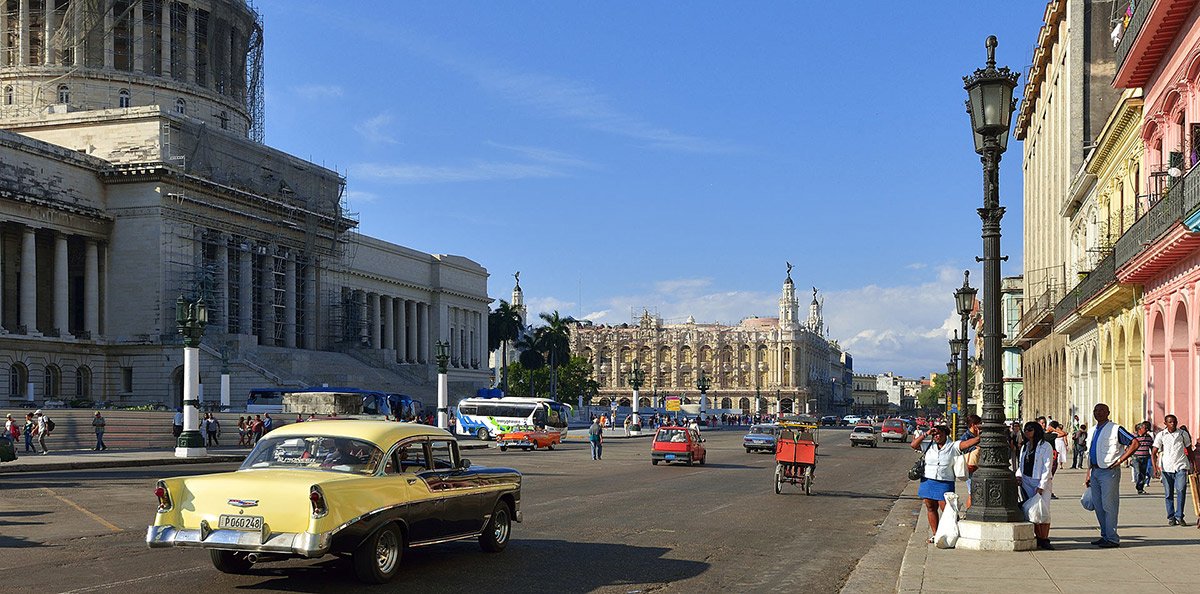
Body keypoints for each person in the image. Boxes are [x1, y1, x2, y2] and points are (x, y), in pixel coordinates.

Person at [911, 424, 981, 543]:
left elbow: (968, 443)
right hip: (928, 480)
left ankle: (953, 532)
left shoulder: (953, 446)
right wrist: (927, 433)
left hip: (945, 481)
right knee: (930, 507)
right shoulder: (929, 445)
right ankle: (936, 534)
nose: (936, 436)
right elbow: (913, 445)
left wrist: (980, 436)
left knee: (948, 509)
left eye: (939, 434)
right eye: (935, 434)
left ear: (945, 434)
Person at [1085, 403, 1140, 548]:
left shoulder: (1116, 429)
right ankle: (1104, 535)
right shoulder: (1092, 431)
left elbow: (1134, 443)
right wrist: (1088, 473)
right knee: (1098, 505)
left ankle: (1112, 538)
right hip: (1095, 470)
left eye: (1102, 410)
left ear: (1108, 412)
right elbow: (1090, 452)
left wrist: (1121, 460)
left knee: (1109, 505)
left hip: (1109, 471)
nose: (1098, 413)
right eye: (1096, 410)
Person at [1019, 421, 1056, 549]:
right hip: (1026, 480)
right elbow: (1021, 463)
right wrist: (1019, 475)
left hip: (1040, 481)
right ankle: (1037, 536)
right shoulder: (1025, 446)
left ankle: (1044, 538)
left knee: (1043, 510)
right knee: (1032, 510)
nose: (1027, 432)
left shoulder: (1045, 446)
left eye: (1030, 429)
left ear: (1036, 431)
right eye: (1025, 429)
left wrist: (1042, 486)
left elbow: (1047, 467)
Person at [1151, 414, 1193, 526]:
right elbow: (1154, 452)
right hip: (1166, 467)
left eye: (1174, 422)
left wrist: (1193, 466)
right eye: (1170, 422)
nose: (1173, 424)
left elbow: (1189, 450)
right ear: (1165, 423)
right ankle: (1171, 517)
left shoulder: (1183, 434)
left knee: (1181, 490)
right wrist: (1155, 468)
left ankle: (1180, 516)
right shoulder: (1161, 435)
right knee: (1168, 493)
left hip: (1181, 466)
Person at [960, 414, 982, 510]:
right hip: (971, 466)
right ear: (973, 425)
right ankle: (968, 511)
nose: (981, 425)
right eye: (979, 423)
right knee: (971, 492)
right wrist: (975, 447)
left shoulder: (977, 434)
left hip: (978, 465)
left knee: (975, 491)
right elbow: (962, 448)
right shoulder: (966, 436)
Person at [1132, 422, 1154, 494]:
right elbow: (1129, 447)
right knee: (1138, 472)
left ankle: (1140, 488)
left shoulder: (1149, 437)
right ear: (1140, 429)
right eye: (1145, 428)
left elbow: (1152, 447)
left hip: (1145, 457)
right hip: (1136, 457)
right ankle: (1138, 485)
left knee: (1142, 473)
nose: (1147, 429)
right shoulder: (1134, 437)